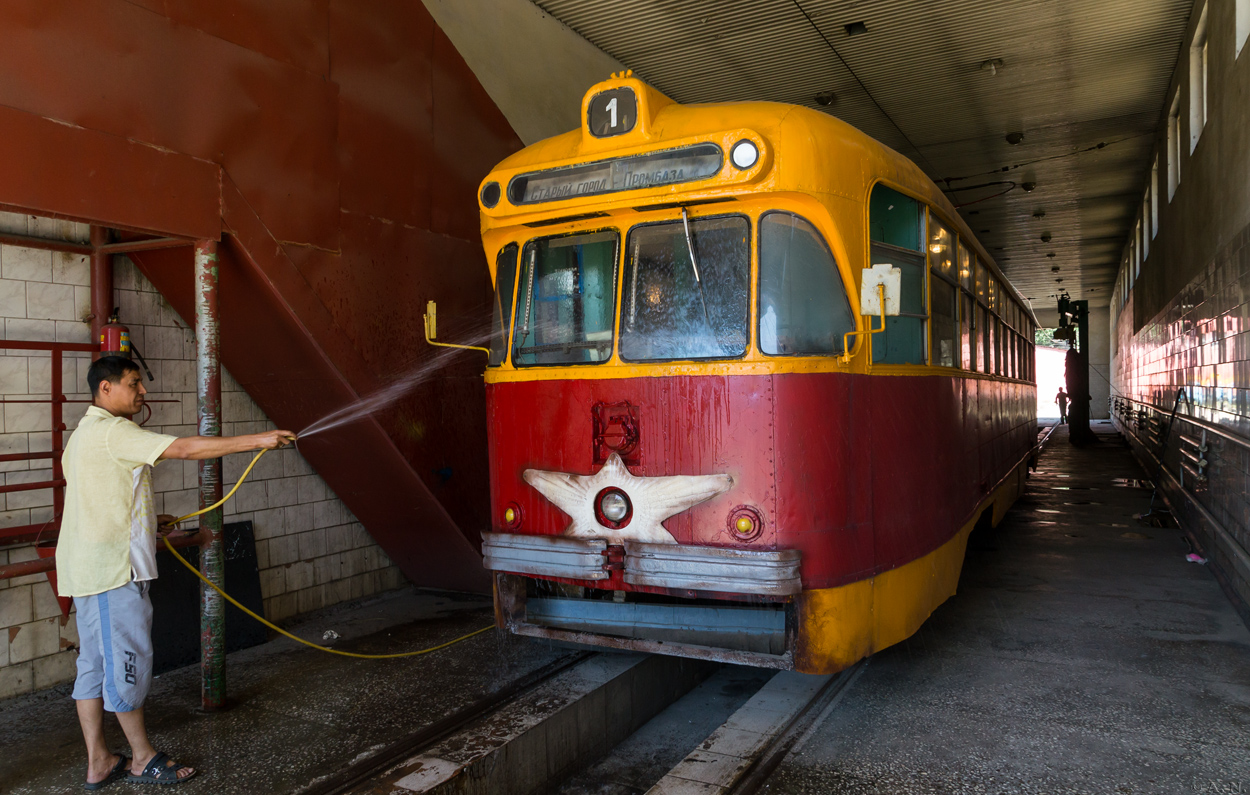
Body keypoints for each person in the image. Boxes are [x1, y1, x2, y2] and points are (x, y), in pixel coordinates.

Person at [58, 356, 293, 788]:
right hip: (114, 574)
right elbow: (184, 448)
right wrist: (258, 440)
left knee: (92, 667)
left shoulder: (82, 435)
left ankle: (99, 761)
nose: (142, 392)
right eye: (133, 384)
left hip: (86, 573)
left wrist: (149, 520)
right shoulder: (114, 432)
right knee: (126, 664)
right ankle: (142, 758)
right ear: (105, 388)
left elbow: (100, 498)